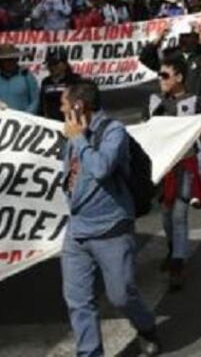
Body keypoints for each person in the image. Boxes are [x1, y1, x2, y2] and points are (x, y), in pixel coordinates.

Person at [59, 81, 160, 357]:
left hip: (111, 229)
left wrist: (78, 138)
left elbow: (102, 168)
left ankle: (146, 325)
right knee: (78, 300)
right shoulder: (70, 134)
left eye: (65, 103)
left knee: (120, 295)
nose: (60, 108)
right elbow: (70, 173)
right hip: (78, 230)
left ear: (80, 106)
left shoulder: (113, 131)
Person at [144, 57, 201, 291]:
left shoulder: (195, 102)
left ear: (179, 77)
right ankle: (174, 248)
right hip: (162, 168)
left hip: (184, 165)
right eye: (159, 75)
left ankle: (178, 263)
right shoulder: (155, 103)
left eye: (165, 75)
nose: (160, 80)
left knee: (179, 214)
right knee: (165, 213)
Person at [0, 43, 40, 113]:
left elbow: (35, 100)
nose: (10, 62)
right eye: (6, 60)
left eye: (12, 59)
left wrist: (26, 115)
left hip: (22, 120)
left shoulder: (26, 75)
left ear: (16, 59)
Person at [40, 49, 82, 120]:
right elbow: (42, 103)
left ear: (64, 64)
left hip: (70, 120)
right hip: (50, 122)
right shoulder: (46, 82)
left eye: (55, 64)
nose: (52, 67)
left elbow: (80, 102)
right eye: (50, 64)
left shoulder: (75, 80)